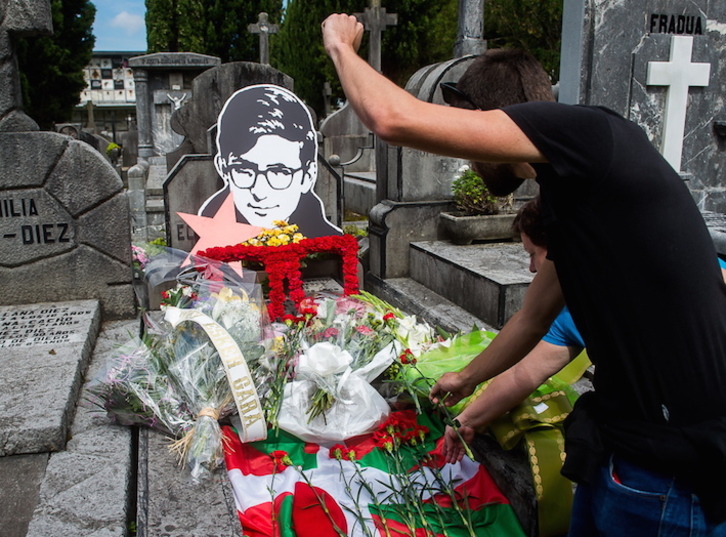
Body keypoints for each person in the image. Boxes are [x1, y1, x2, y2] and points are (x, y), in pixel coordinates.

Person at [322, 13, 726, 534]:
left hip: (673, 472)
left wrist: (341, 47)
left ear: (483, 115)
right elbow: (533, 319)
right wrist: (465, 380)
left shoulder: (588, 132)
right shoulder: (575, 197)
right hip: (622, 449)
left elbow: (392, 119)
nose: (470, 159)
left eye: (469, 134)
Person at [199, 84, 341, 238]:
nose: (259, 192)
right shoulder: (209, 235)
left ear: (308, 176)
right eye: (244, 171)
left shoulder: (327, 244)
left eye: (278, 172)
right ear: (222, 167)